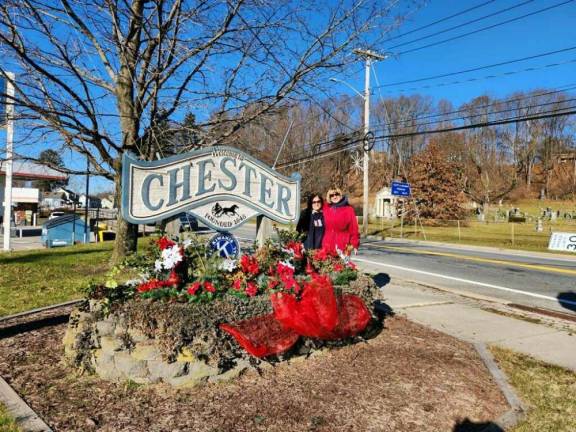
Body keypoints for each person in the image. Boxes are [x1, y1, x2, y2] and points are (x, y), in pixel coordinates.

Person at [321, 187, 359, 254]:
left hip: (343, 245)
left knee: (340, 264)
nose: (334, 197)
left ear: (340, 195)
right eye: (332, 195)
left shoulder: (348, 209)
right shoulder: (325, 208)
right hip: (327, 244)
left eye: (337, 194)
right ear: (329, 197)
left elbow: (353, 228)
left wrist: (354, 244)